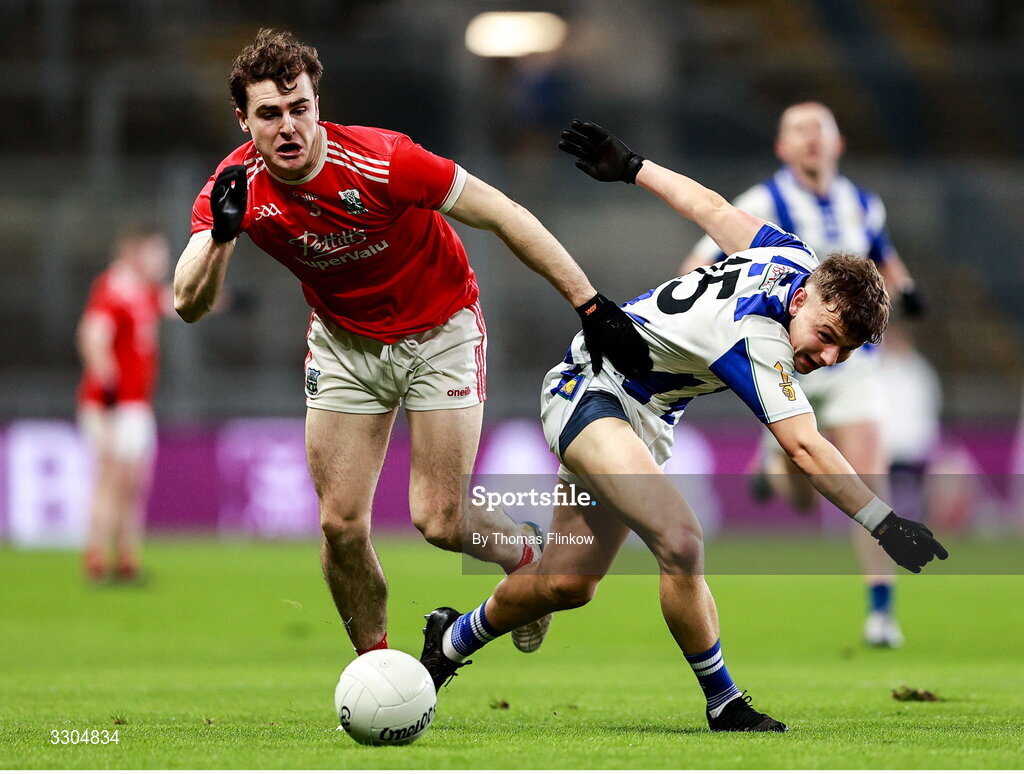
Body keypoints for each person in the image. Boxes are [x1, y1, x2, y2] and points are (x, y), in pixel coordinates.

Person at [419, 121, 948, 733]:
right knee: (681, 539)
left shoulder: (792, 256)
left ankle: (449, 642)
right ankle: (724, 702)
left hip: (639, 416)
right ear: (804, 302)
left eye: (845, 352)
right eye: (828, 339)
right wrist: (885, 523)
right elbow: (804, 445)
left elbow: (712, 208)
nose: (827, 359)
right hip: (591, 392)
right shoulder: (761, 337)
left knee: (567, 584)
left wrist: (634, 166)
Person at [172, 30, 651, 658]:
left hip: (439, 331)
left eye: (300, 109)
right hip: (345, 346)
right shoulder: (235, 187)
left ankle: (524, 553)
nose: (287, 127)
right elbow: (188, 303)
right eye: (269, 114)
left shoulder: (384, 161)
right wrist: (219, 238)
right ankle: (377, 668)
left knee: (439, 520)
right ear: (244, 119)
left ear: (318, 104)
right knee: (340, 526)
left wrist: (590, 304)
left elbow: (502, 212)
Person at [680, 102, 927, 647]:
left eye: (820, 130)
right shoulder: (763, 202)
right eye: (798, 131)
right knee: (804, 492)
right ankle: (776, 466)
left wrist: (907, 290)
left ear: (838, 144)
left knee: (870, 479)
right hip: (789, 357)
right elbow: (698, 260)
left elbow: (883, 260)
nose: (810, 140)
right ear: (781, 148)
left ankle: (881, 613)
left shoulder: (863, 203)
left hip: (853, 365)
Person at [77, 224, 171, 583]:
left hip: (135, 405)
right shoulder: (113, 289)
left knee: (134, 482)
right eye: (156, 252)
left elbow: (175, 301)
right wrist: (108, 391)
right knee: (111, 479)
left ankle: (127, 558)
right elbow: (91, 337)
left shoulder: (140, 292)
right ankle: (97, 557)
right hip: (112, 405)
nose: (161, 260)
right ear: (134, 251)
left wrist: (223, 299)